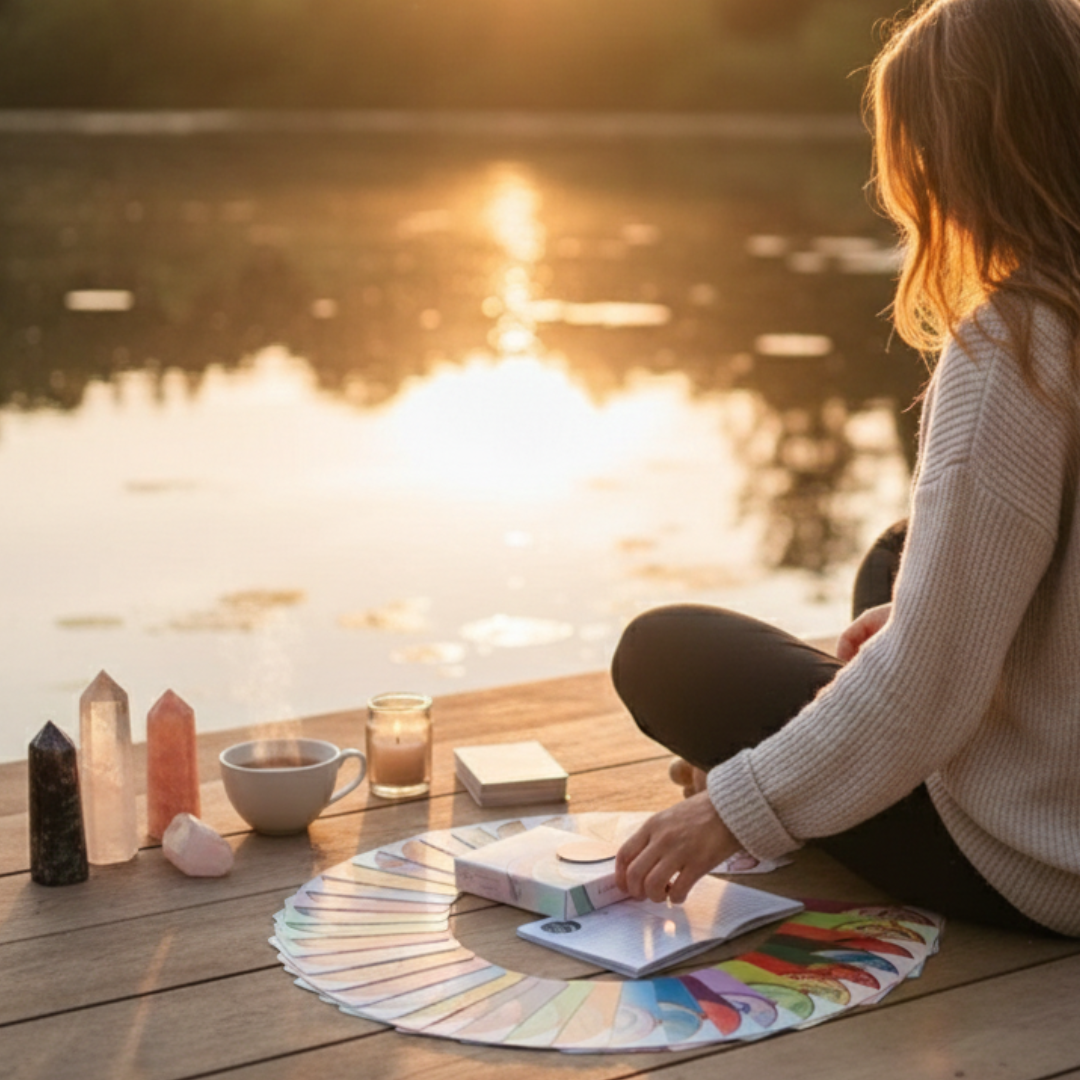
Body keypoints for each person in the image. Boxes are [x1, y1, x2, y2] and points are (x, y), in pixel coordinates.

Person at [612, 0, 1080, 937]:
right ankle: (832, 741)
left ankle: (804, 770)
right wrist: (917, 619)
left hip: (1044, 856)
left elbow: (930, 688)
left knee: (668, 652)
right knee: (894, 560)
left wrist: (730, 808)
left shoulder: (1020, 341)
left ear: (952, 156)